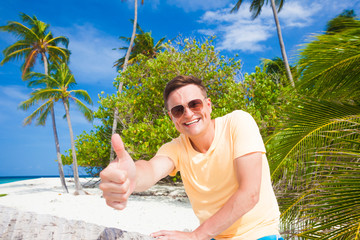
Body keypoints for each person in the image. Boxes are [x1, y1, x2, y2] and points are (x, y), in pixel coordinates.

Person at [100, 75, 282, 240]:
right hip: (214, 236)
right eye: (178, 110)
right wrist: (131, 176)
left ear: (208, 105)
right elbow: (151, 169)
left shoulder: (237, 123)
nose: (188, 113)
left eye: (194, 104)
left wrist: (196, 235)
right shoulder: (176, 148)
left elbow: (249, 194)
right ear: (172, 118)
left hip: (259, 234)